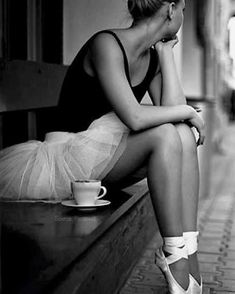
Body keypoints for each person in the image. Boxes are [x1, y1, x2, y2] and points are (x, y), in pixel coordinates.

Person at [0, 0, 204, 293]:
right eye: (183, 8)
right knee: (166, 135)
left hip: (105, 160)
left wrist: (166, 56)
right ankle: (174, 256)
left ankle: (188, 251)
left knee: (181, 135)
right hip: (67, 160)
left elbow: (173, 111)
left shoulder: (153, 56)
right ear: (171, 9)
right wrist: (189, 112)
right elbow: (134, 117)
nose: (183, 15)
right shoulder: (106, 44)